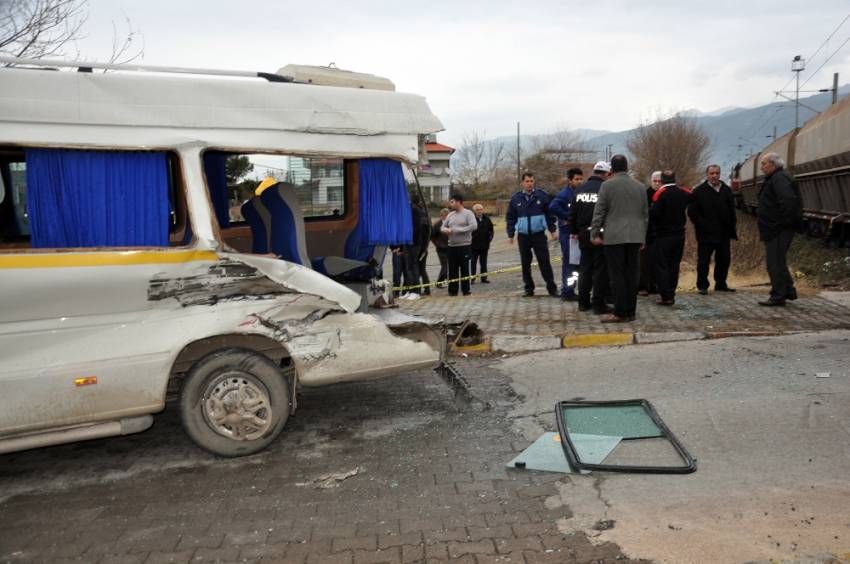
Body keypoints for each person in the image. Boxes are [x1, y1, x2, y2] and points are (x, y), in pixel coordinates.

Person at [590, 155, 648, 322]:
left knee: (617, 275)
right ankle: (631, 311)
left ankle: (620, 312)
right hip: (636, 235)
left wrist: (594, 233)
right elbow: (645, 214)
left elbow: (599, 211)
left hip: (614, 236)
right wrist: (643, 236)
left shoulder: (607, 186)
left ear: (612, 170)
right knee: (632, 274)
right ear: (627, 167)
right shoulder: (640, 186)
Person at [757, 152, 802, 306]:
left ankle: (778, 296)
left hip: (777, 229)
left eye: (764, 164)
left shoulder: (779, 178)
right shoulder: (776, 177)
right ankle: (788, 290)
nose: (761, 167)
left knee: (774, 263)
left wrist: (780, 224)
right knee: (779, 261)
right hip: (776, 228)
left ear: (773, 164)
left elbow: (788, 201)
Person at [568, 161, 612, 314]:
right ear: (606, 174)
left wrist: (574, 231)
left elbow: (572, 214)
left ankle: (583, 302)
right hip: (600, 234)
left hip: (583, 235)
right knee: (600, 270)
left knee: (585, 268)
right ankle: (599, 304)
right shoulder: (605, 189)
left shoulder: (580, 190)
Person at [506, 172, 559, 297]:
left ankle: (552, 288)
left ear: (534, 182)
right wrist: (510, 234)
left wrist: (552, 230)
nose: (529, 183)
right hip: (523, 236)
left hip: (538, 235)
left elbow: (549, 214)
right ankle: (529, 288)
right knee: (525, 263)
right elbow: (510, 217)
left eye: (531, 181)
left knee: (544, 261)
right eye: (527, 181)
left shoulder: (542, 196)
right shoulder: (516, 199)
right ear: (522, 183)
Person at [688, 164, 738, 295]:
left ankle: (721, 284)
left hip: (723, 233)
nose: (715, 176)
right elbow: (692, 212)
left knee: (724, 259)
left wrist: (732, 225)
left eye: (717, 173)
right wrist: (702, 224)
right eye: (712, 173)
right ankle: (702, 285)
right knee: (704, 260)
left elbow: (732, 209)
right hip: (706, 233)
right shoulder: (699, 191)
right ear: (707, 175)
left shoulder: (726, 190)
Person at [649, 170, 691, 305]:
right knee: (674, 265)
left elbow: (654, 214)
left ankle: (665, 296)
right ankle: (671, 294)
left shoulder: (660, 194)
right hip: (679, 235)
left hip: (663, 236)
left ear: (662, 180)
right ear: (675, 178)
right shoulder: (683, 192)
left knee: (662, 266)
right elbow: (692, 199)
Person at [550, 167, 584, 301]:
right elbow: (553, 206)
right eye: (577, 179)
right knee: (570, 264)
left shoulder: (581, 192)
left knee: (576, 264)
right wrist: (568, 217)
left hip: (577, 233)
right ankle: (567, 291)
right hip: (567, 235)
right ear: (570, 180)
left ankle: (571, 289)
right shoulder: (564, 194)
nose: (580, 181)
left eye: (581, 179)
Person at [441, 193, 477, 296]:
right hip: (452, 247)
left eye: (452, 202)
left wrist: (459, 230)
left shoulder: (468, 213)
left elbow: (474, 226)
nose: (451, 204)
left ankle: (466, 290)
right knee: (452, 270)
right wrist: (447, 230)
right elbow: (442, 227)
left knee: (465, 269)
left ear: (458, 202)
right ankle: (453, 291)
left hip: (464, 246)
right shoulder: (450, 215)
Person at [638, 171, 662, 296]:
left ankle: (654, 285)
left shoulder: (664, 194)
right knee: (644, 262)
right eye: (655, 181)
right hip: (646, 233)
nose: (657, 184)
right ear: (651, 181)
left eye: (659, 181)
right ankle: (642, 286)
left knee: (657, 262)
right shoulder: (645, 194)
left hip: (660, 233)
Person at [470, 203, 494, 284]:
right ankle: (472, 278)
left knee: (483, 263)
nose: (479, 211)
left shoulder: (486, 218)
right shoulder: (471, 219)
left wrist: (490, 238)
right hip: (474, 246)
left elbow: (491, 229)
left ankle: (484, 278)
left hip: (484, 245)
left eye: (481, 209)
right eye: (477, 210)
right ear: (474, 211)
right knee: (473, 263)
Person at [431, 208, 450, 287]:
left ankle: (440, 281)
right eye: (445, 216)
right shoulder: (437, 225)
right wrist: (437, 244)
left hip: (450, 247)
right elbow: (432, 236)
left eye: (447, 215)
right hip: (441, 249)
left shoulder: (451, 223)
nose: (446, 217)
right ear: (441, 216)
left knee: (449, 265)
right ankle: (441, 281)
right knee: (445, 265)